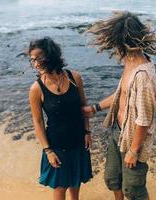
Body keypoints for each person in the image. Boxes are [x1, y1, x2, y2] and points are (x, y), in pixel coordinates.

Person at [83, 11, 156, 200]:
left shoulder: (142, 76)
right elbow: (121, 95)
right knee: (112, 179)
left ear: (122, 42)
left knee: (134, 191)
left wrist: (134, 151)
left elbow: (144, 120)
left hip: (134, 138)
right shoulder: (130, 63)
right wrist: (94, 108)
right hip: (117, 131)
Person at [28, 37, 92, 200]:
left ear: (51, 55)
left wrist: (87, 131)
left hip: (78, 140)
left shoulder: (74, 77)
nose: (36, 63)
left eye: (39, 58)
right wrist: (47, 150)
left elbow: (83, 107)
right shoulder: (36, 89)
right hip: (56, 145)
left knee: (75, 182)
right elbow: (38, 121)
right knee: (60, 187)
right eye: (32, 60)